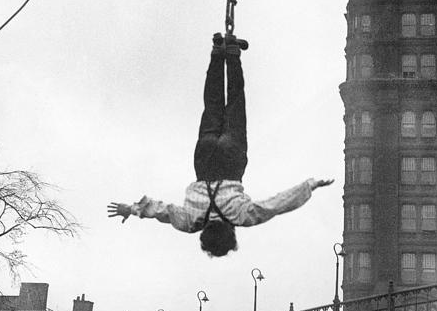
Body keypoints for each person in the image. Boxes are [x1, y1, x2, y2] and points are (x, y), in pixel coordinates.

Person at [108, 34, 333, 257]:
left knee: (236, 102)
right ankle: (217, 53)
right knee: (212, 104)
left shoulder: (241, 216)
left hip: (231, 161)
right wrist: (133, 208)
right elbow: (163, 211)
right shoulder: (190, 221)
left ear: (231, 234)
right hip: (204, 162)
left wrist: (309, 185)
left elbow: (274, 205)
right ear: (203, 235)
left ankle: (233, 53)